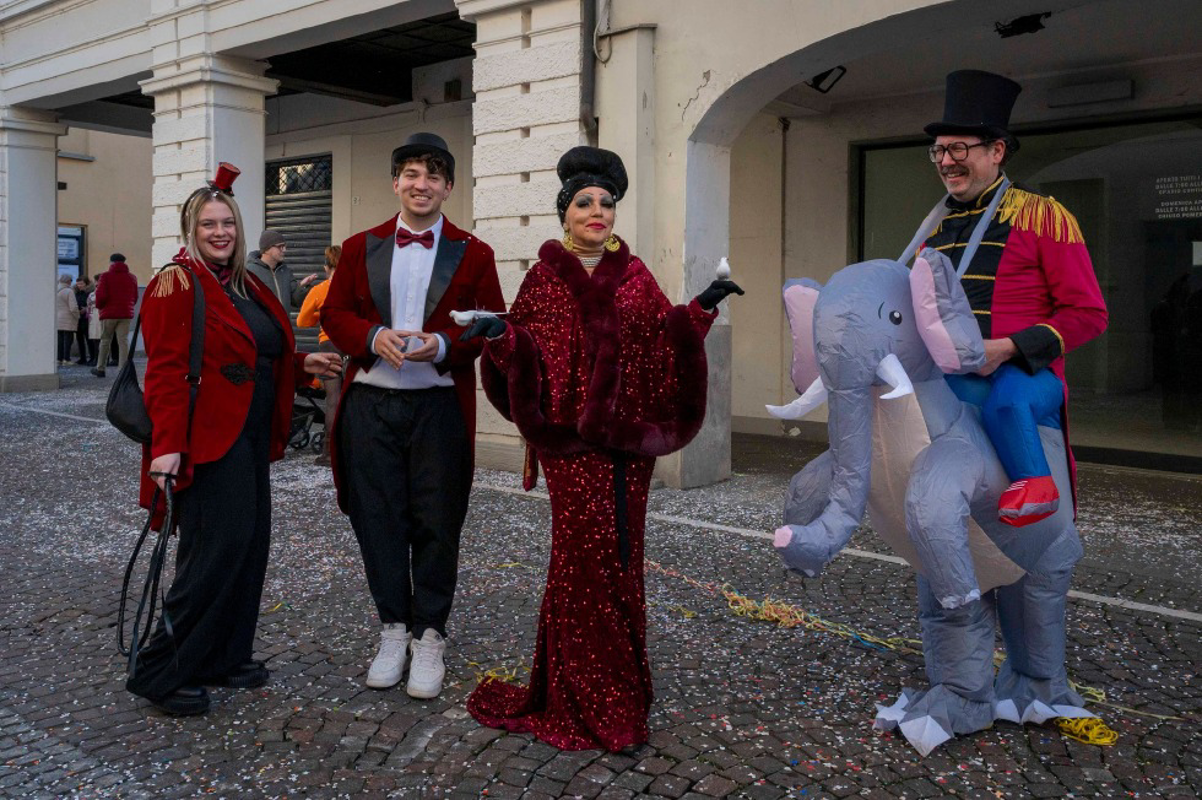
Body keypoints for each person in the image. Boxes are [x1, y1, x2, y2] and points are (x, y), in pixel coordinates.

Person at [463, 146, 743, 751]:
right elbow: (525, 350)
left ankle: (621, 695)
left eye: (607, 204)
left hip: (628, 449)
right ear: (564, 213)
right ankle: (581, 699)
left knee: (622, 560)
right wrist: (500, 336)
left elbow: (664, 338)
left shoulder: (636, 275)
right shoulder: (543, 277)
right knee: (581, 564)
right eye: (585, 203)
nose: (598, 212)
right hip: (572, 450)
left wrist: (703, 307)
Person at [125, 163, 341, 716]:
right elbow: (168, 370)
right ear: (190, 231)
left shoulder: (242, 282)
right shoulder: (176, 282)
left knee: (247, 550)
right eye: (207, 225)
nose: (219, 232)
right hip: (205, 443)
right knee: (213, 555)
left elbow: (252, 349)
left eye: (226, 223)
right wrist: (168, 446)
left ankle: (223, 654)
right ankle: (161, 671)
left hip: (248, 440)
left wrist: (299, 359)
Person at [322, 132, 505, 700]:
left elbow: (490, 323)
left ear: (449, 187)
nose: (420, 184)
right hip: (371, 406)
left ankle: (430, 634)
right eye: (410, 174)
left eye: (432, 175)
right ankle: (392, 628)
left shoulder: (474, 252)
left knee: (436, 520)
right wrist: (373, 336)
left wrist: (445, 344)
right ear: (395, 182)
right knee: (377, 519)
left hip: (439, 408)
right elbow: (334, 312)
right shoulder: (358, 246)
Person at [914, 70, 1107, 526]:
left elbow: (1089, 314)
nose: (946, 161)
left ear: (996, 151)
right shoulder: (934, 235)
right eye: (939, 150)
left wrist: (1006, 348)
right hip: (954, 395)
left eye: (958, 148)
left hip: (1023, 386)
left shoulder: (1044, 218)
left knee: (1037, 568)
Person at [297, 244, 344, 465]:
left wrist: (320, 313)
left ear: (326, 267)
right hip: (352, 345)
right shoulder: (353, 287)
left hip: (329, 346)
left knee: (333, 400)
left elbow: (302, 321)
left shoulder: (319, 290)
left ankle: (329, 452)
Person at [245, 230, 317, 314]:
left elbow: (295, 301)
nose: (284, 250)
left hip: (283, 326)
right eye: (280, 247)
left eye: (284, 246)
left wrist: (302, 286)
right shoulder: (250, 271)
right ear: (267, 249)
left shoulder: (285, 271)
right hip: (263, 326)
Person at [92, 254, 139, 377]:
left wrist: (99, 306)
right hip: (125, 314)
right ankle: (122, 369)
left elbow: (101, 296)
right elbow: (135, 296)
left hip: (109, 313)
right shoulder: (132, 277)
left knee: (105, 340)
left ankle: (100, 368)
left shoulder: (105, 276)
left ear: (111, 262)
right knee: (123, 341)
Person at [55, 274, 80, 367]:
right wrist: (77, 316)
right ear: (68, 281)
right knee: (68, 340)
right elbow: (73, 307)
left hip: (58, 318)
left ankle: (59, 359)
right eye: (71, 280)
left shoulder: (56, 290)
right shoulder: (69, 291)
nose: (71, 282)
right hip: (68, 319)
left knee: (60, 340)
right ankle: (67, 359)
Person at [73, 277, 92, 365]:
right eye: (78, 284)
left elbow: (92, 304)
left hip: (87, 318)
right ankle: (82, 358)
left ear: (86, 284)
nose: (79, 286)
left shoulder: (90, 293)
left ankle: (92, 357)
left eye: (81, 283)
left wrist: (86, 309)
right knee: (79, 338)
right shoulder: (76, 293)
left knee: (89, 339)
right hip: (78, 318)